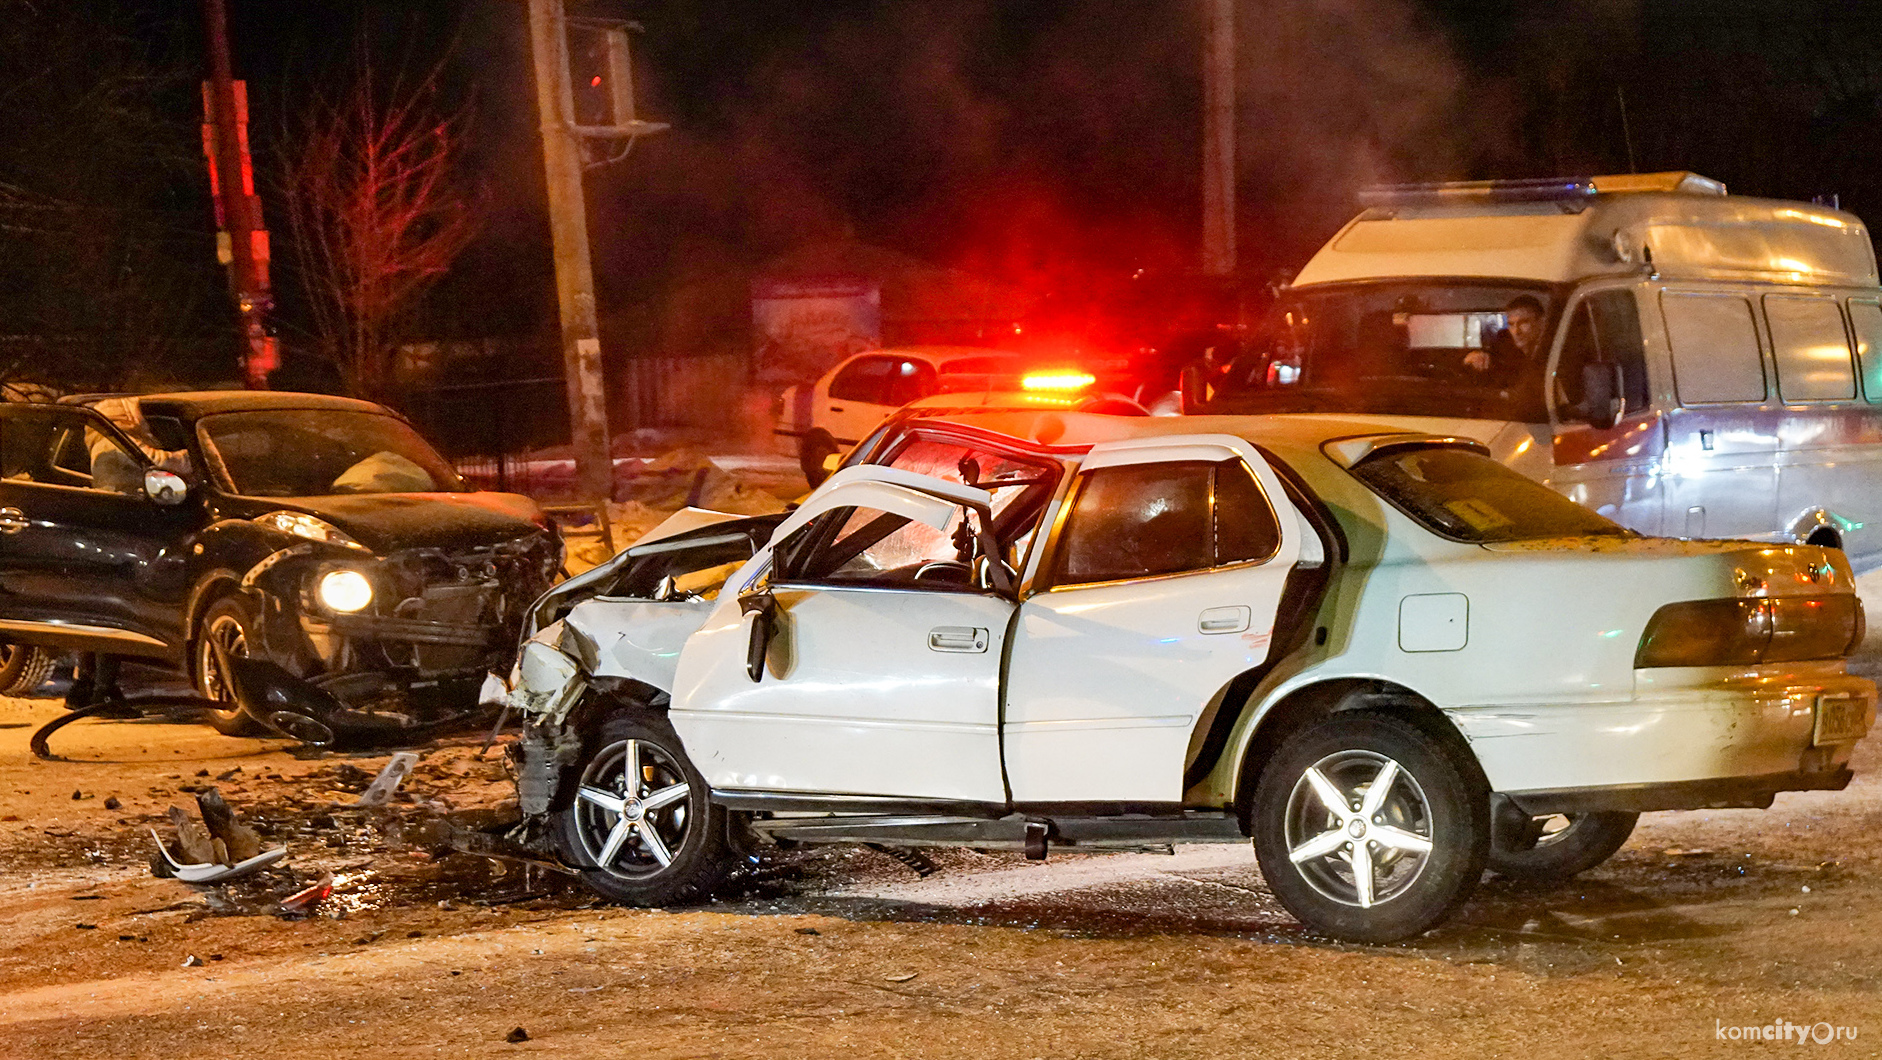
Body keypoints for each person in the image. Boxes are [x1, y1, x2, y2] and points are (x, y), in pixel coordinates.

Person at [1463, 295, 1545, 383]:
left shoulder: (1552, 352)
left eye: (1523, 323)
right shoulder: (1503, 349)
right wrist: (1473, 359)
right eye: (1511, 324)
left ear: (1540, 323)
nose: (1516, 331)